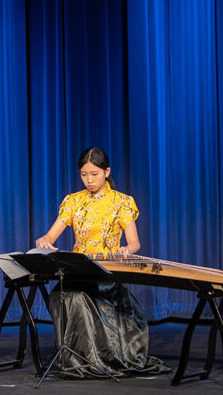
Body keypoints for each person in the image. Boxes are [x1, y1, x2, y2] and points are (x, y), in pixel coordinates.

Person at [34, 147, 168, 378]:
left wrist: (126, 250)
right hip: (79, 271)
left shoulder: (121, 202)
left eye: (94, 174)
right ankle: (78, 358)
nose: (89, 180)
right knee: (61, 296)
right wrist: (44, 240)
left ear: (107, 172)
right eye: (84, 174)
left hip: (106, 272)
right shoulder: (73, 201)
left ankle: (94, 358)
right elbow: (50, 235)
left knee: (79, 299)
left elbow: (135, 243)